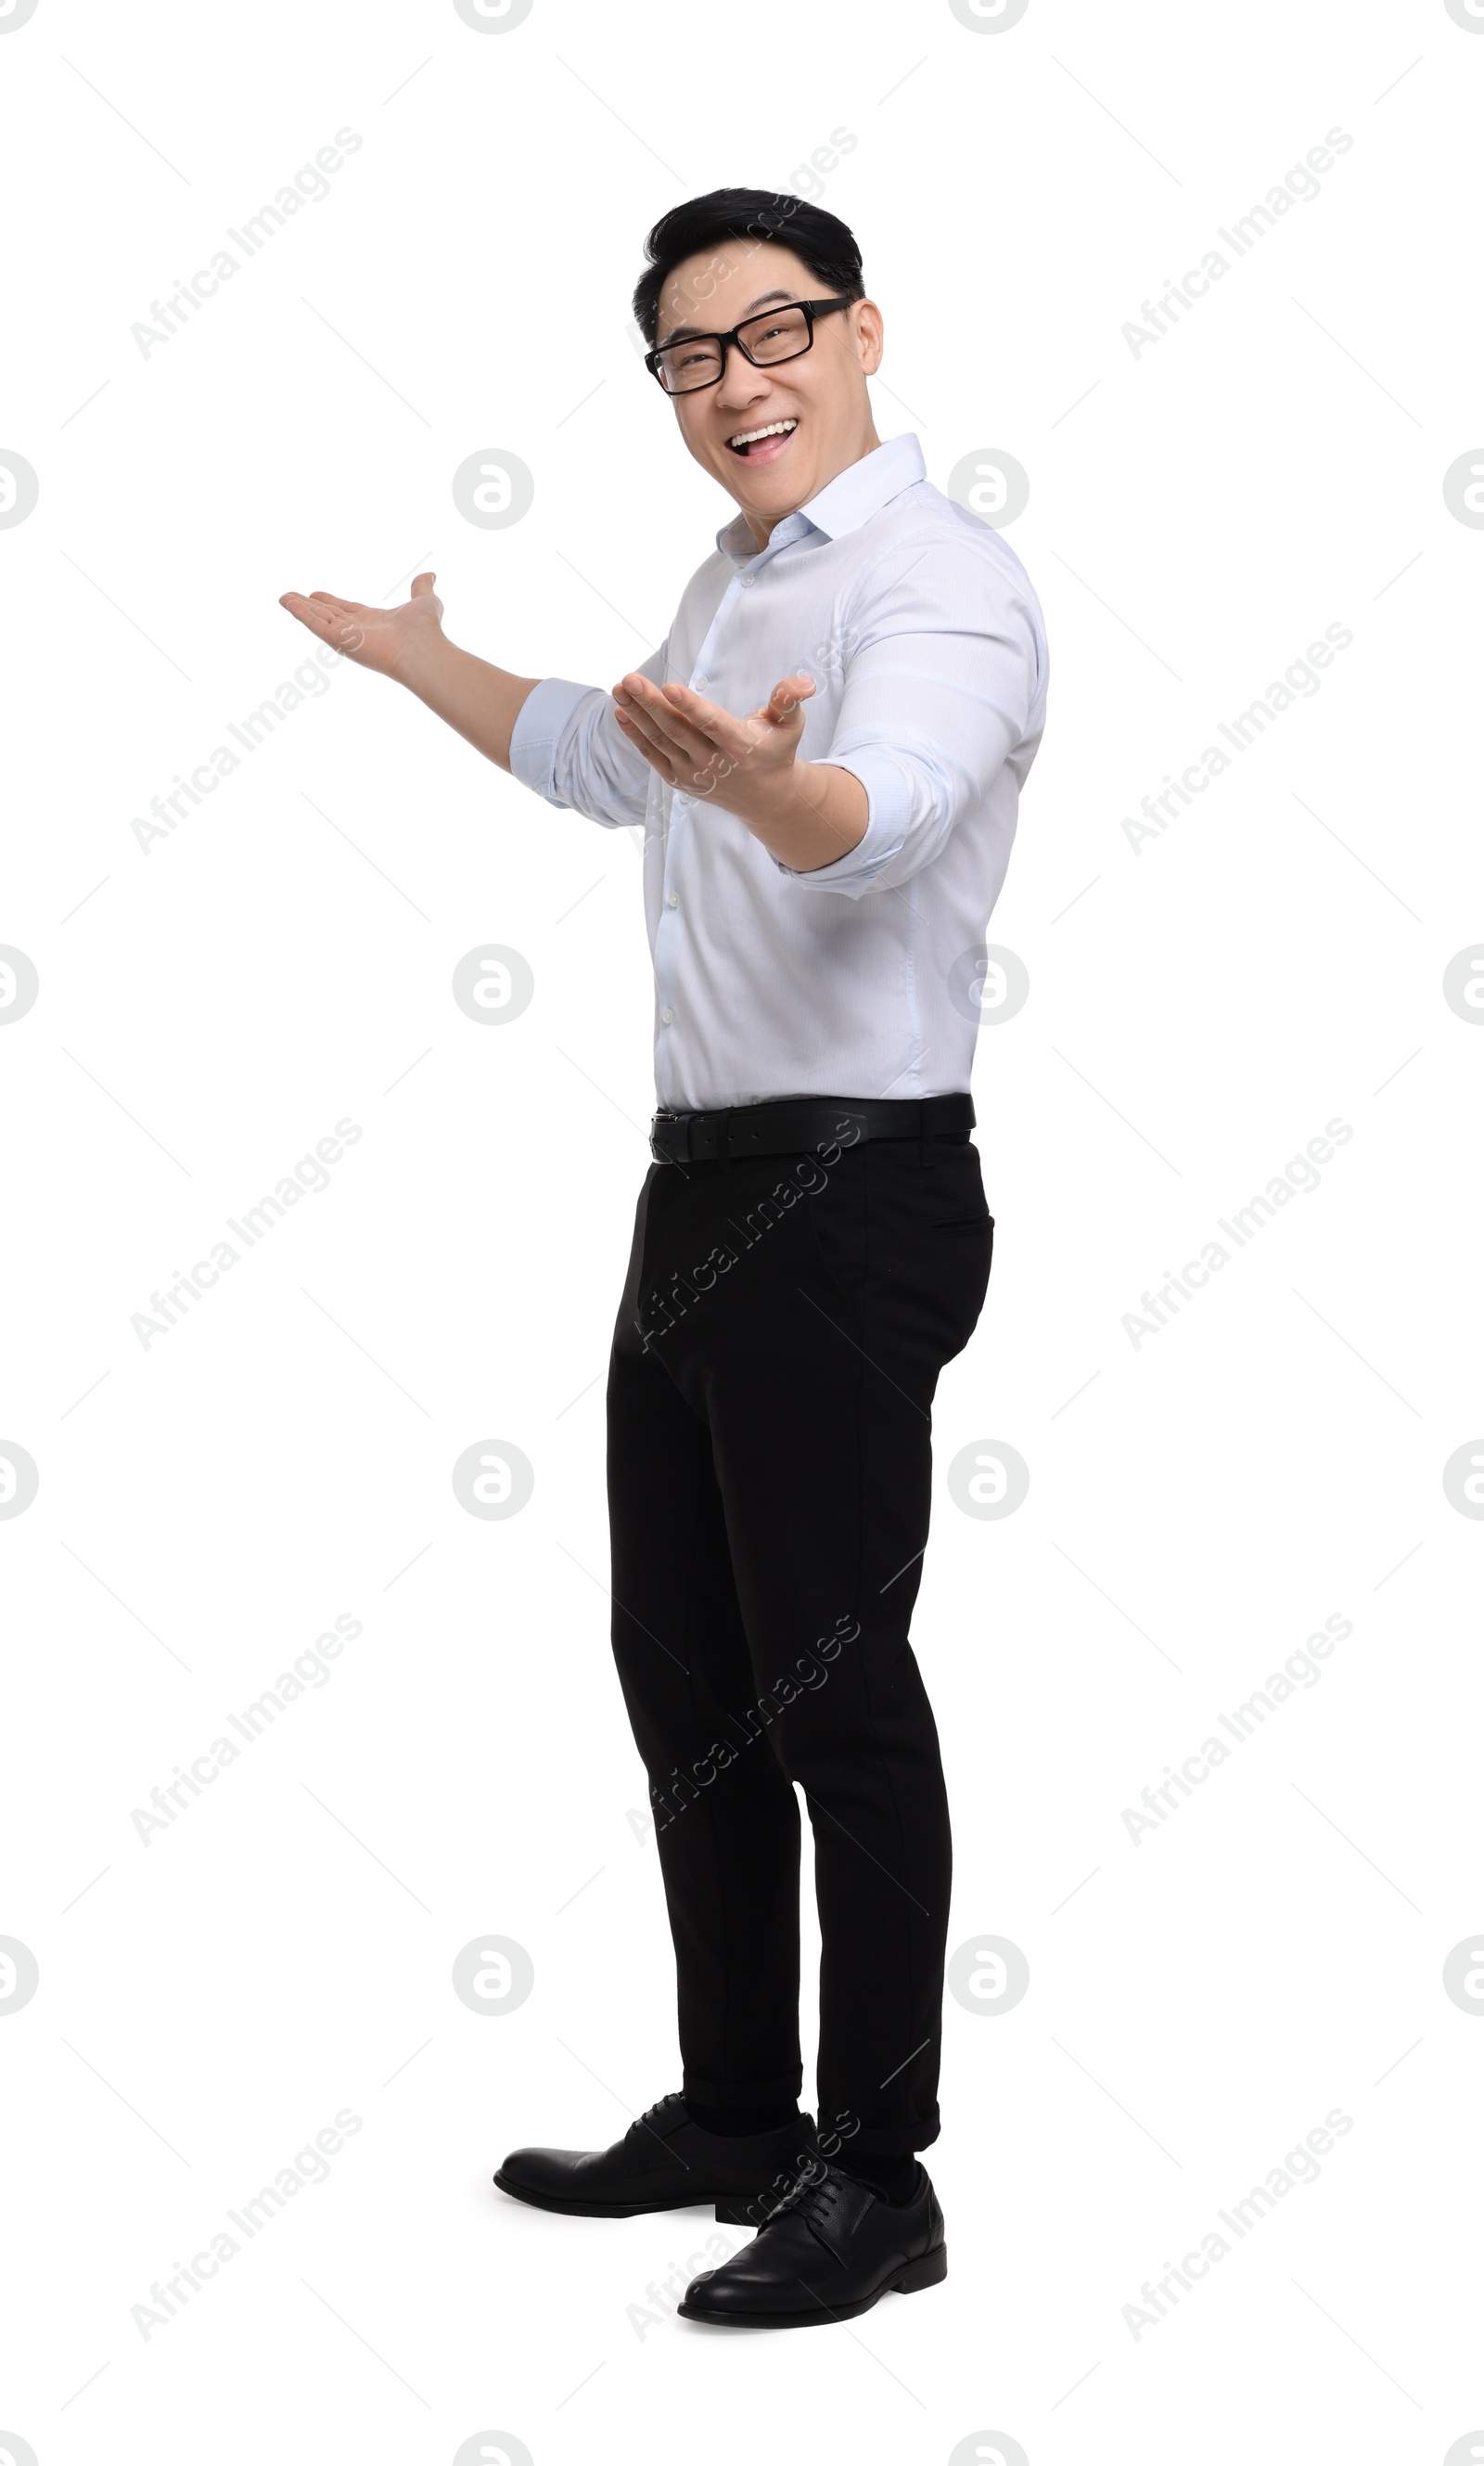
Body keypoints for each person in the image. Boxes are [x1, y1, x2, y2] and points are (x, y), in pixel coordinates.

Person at [281, 186, 1048, 2330]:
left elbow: (871, 812)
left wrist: (775, 795)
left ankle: (875, 2169)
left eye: (771, 330)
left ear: (865, 330)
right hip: (696, 1193)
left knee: (831, 1692)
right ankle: (733, 2117)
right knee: (690, 1681)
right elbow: (614, 767)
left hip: (851, 1194)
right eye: (690, 357)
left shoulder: (938, 585)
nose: (735, 383)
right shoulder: (728, 586)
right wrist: (423, 658)